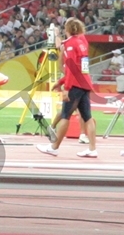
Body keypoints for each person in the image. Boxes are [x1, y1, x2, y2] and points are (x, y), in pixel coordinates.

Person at [39, 15, 98, 159]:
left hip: (75, 85)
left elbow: (71, 68)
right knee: (87, 117)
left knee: (65, 115)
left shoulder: (71, 44)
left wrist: (66, 87)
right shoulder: (82, 41)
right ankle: (92, 149)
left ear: (67, 29)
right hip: (85, 83)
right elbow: (79, 67)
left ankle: (54, 147)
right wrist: (61, 82)